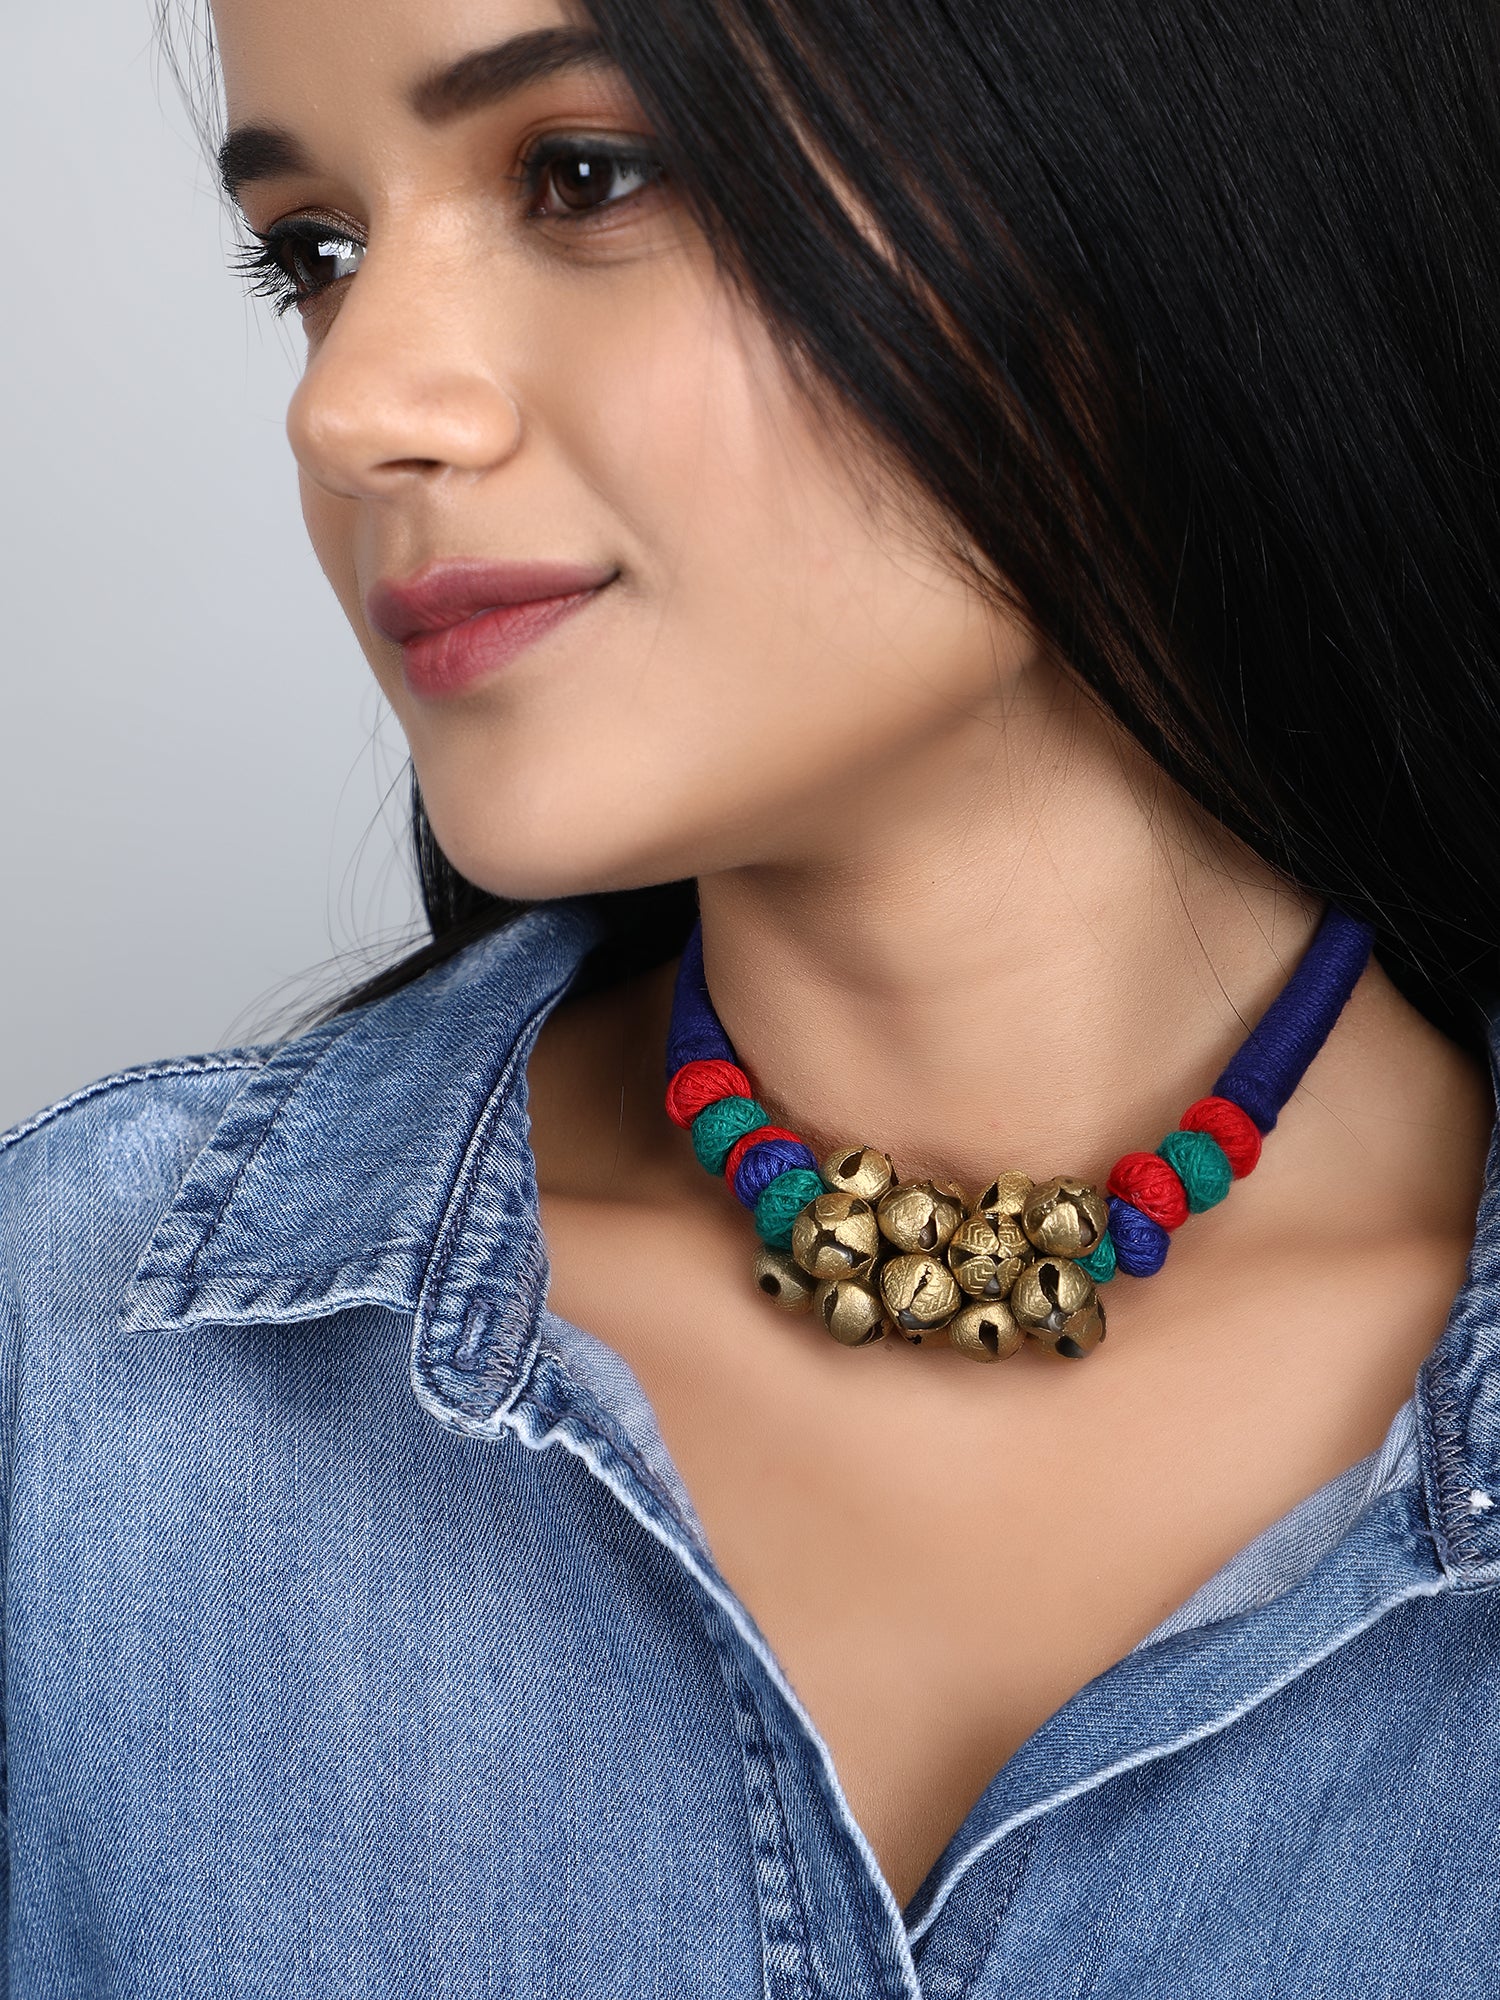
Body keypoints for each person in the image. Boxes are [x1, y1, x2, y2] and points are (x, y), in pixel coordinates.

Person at [3, 0, 1498, 1988]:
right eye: (316, 250)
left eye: (585, 175)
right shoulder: (67, 1376)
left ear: (1138, 152)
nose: (347, 407)